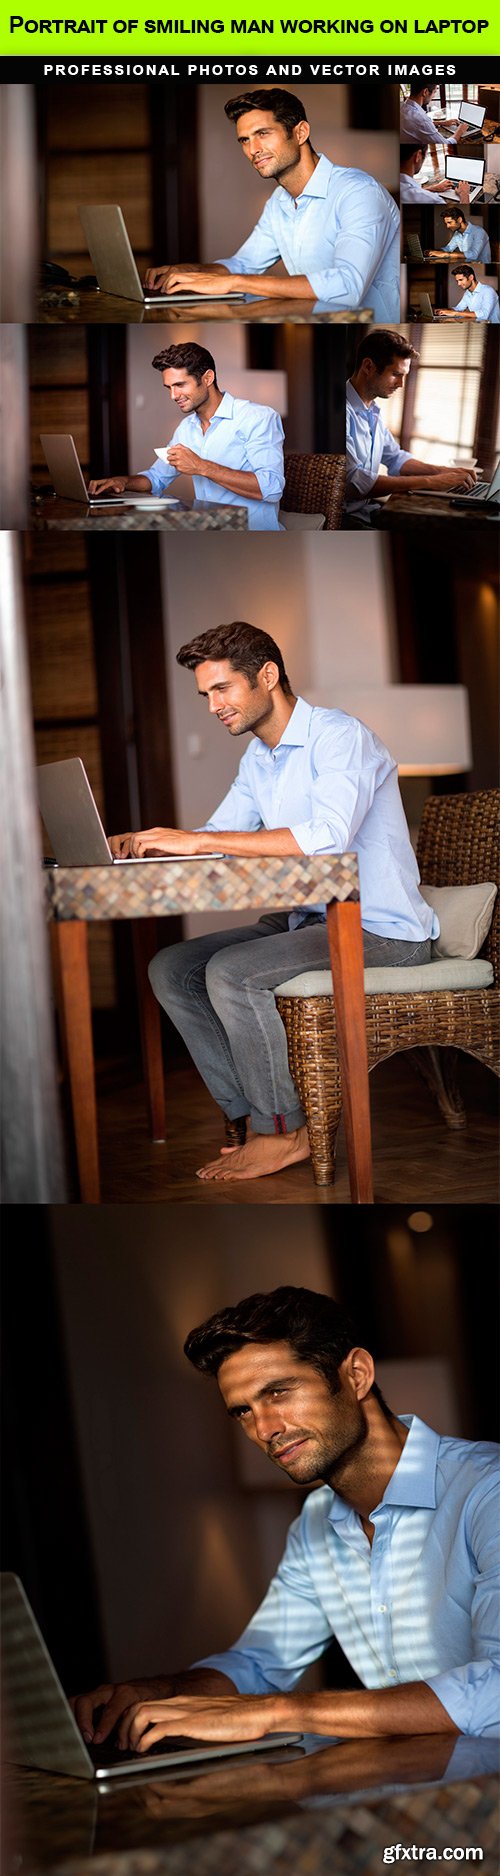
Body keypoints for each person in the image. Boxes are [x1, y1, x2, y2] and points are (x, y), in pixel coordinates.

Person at [71, 1285, 500, 1748]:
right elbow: (259, 1663)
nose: (265, 1429)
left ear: (356, 1375)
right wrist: (153, 1692)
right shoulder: (316, 1524)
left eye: (278, 1392)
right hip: (418, 1797)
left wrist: (274, 1712)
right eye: (243, 1411)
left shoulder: (485, 1490)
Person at [108, 620, 437, 1185]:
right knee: (173, 967)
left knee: (233, 973)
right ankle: (245, 1117)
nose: (212, 706)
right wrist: (144, 846)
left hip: (385, 932)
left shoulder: (341, 738)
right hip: (310, 921)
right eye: (205, 694)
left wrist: (199, 840)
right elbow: (216, 840)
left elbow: (326, 837)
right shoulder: (259, 759)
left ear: (267, 675)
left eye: (222, 689)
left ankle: (282, 1131)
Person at [143, 88, 400, 319]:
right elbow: (243, 264)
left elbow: (347, 287)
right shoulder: (278, 202)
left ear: (300, 132)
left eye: (262, 133)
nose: (253, 149)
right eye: (244, 140)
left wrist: (234, 282)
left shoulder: (358, 192)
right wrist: (190, 271)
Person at [88, 343, 285, 532]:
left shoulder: (258, 418)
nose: (173, 395)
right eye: (169, 387)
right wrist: (123, 481)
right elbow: (156, 478)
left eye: (180, 385)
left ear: (207, 378)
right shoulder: (186, 428)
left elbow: (272, 488)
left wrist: (201, 466)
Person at [345, 328, 478, 525]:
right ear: (368, 366)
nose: (401, 384)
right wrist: (431, 482)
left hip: (367, 511)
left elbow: (396, 458)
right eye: (396, 374)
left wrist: (442, 472)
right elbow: (355, 482)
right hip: (344, 520)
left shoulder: (372, 411)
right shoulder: (340, 414)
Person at [400, 81, 465, 149]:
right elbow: (445, 144)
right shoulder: (421, 119)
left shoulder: (403, 107)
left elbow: (415, 125)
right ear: (425, 92)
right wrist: (460, 131)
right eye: (434, 92)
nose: (433, 96)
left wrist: (440, 123)